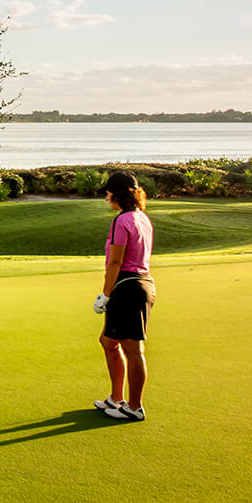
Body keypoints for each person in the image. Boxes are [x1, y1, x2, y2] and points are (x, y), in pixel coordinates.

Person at [93, 169, 155, 421]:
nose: (106, 197)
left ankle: (135, 407)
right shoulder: (142, 217)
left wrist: (106, 294)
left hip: (128, 286)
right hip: (139, 284)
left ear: (118, 194)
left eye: (108, 193)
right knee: (109, 342)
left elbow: (115, 262)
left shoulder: (122, 220)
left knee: (133, 348)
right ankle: (116, 399)